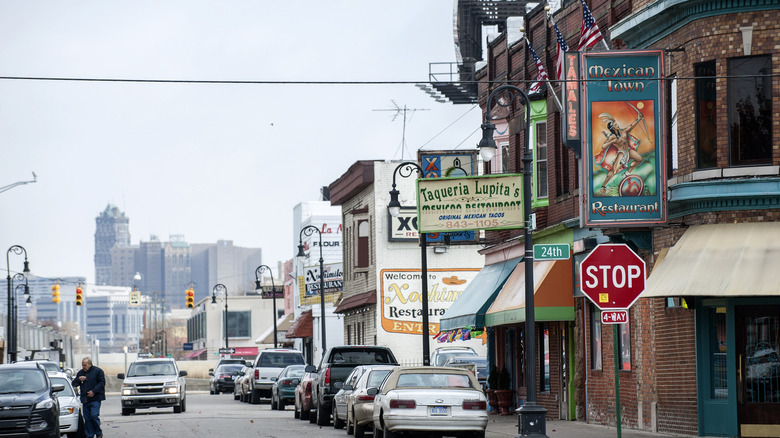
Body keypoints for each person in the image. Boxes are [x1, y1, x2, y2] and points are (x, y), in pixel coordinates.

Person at [594, 112, 644, 194]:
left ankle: (627, 173)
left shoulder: (623, 131)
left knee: (639, 159)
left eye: (616, 123)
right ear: (613, 127)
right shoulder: (612, 137)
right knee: (614, 170)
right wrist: (612, 141)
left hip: (628, 150)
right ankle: (603, 186)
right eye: (615, 124)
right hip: (621, 153)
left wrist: (638, 119)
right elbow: (603, 146)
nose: (617, 125)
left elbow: (631, 126)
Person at [72, 357, 106, 438]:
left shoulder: (98, 371)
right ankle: (89, 435)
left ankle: (98, 433)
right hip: (85, 399)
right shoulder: (80, 373)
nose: (83, 367)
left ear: (90, 364)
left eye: (85, 365)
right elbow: (74, 384)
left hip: (95, 399)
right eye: (82, 365)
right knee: (87, 419)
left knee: (93, 416)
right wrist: (78, 379)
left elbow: (102, 383)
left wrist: (93, 391)